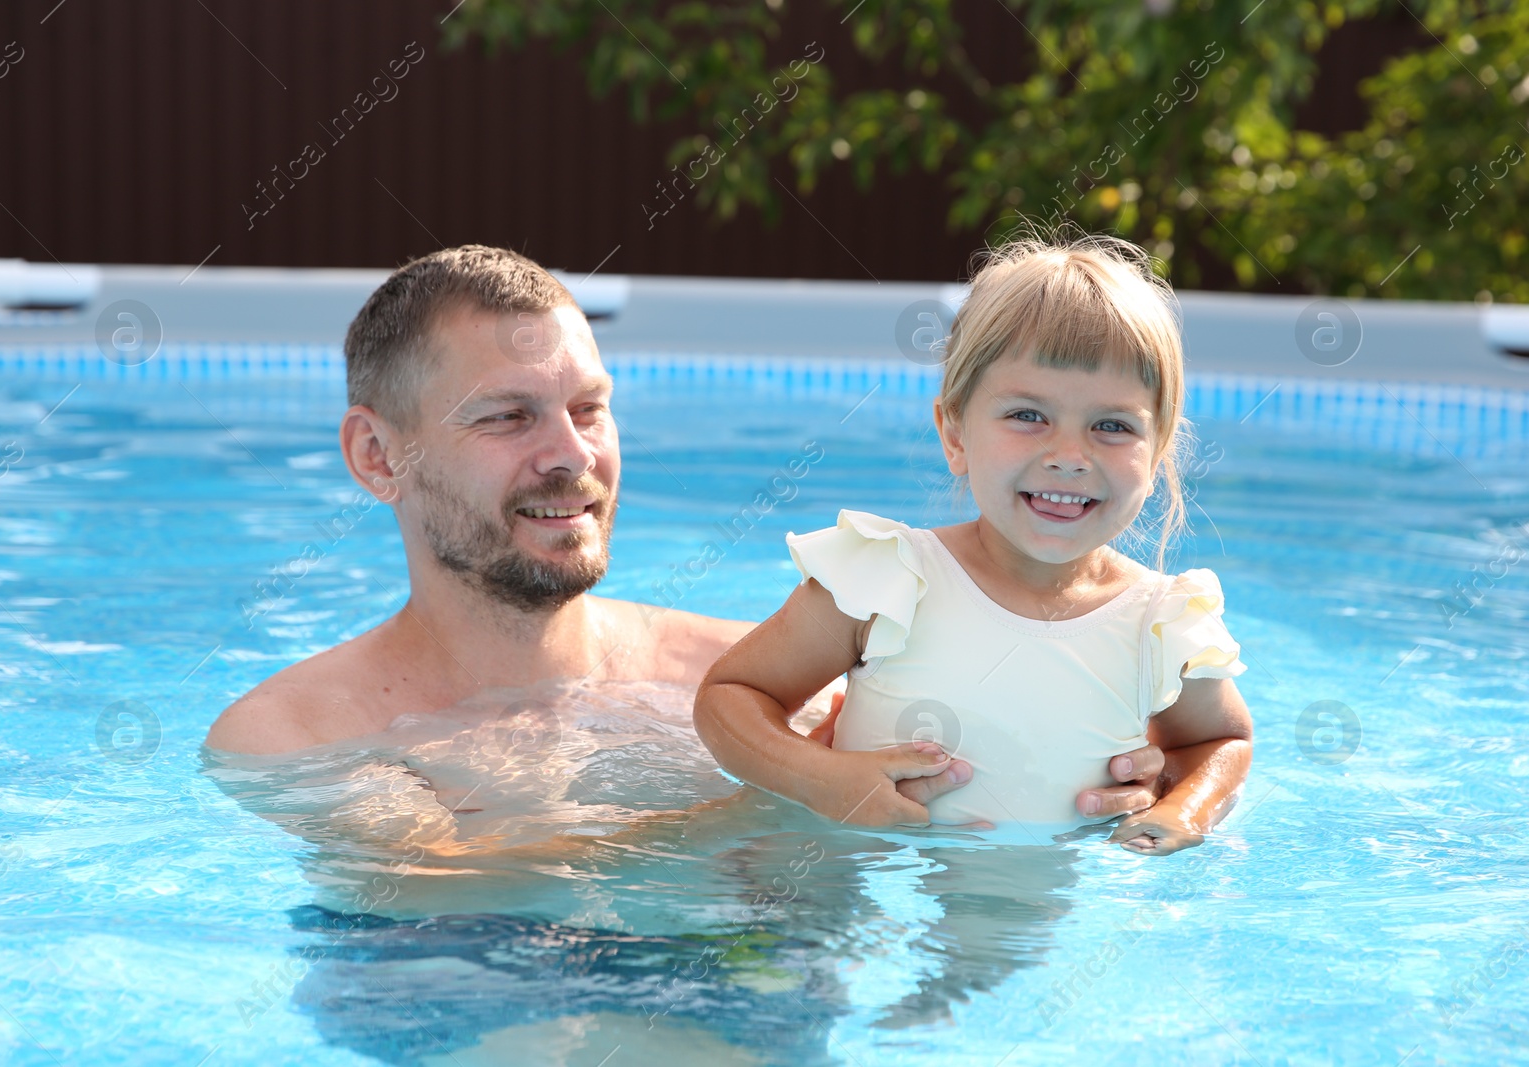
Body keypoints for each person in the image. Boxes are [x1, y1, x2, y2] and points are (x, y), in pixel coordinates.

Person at [205, 244, 1186, 827]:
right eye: (506, 418)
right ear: (378, 457)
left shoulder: (761, 683)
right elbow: (447, 890)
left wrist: (1114, 778)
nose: (568, 457)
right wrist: (783, 796)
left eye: (589, 409)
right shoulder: (297, 736)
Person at [695, 232, 1254, 854]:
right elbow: (731, 697)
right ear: (955, 433)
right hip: (845, 874)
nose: (1070, 456)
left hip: (1050, 903)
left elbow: (1219, 744)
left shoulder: (1159, 621)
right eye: (1028, 416)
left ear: (1157, 454)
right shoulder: (890, 579)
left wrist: (1182, 802)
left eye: (1112, 426)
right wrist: (820, 779)